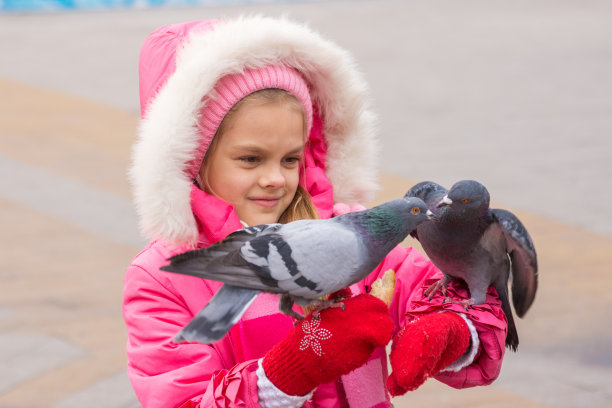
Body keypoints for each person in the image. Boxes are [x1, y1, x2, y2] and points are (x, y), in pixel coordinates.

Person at [123, 16, 508, 408]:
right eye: (251, 158)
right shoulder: (160, 282)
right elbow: (181, 400)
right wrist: (291, 371)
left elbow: (449, 293)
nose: (275, 178)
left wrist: (453, 331)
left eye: (291, 158)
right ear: (192, 160)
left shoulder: (357, 236)